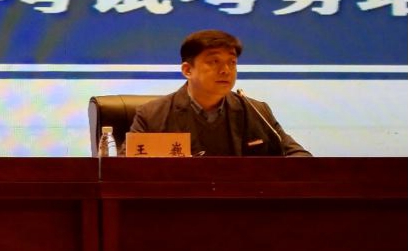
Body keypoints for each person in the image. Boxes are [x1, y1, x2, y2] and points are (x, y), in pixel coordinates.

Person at [130, 29, 310, 157]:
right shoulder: (152, 115)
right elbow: (126, 170)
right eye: (214, 62)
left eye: (232, 62)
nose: (226, 70)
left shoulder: (257, 111)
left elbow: (299, 156)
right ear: (187, 70)